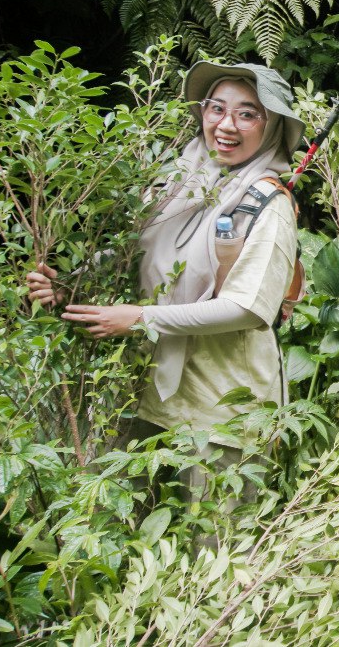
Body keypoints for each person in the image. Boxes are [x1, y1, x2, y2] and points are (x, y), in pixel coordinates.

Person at [26, 62, 303, 504]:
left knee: (213, 544)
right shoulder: (176, 181)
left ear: (273, 128)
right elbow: (137, 250)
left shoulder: (269, 204)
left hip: (221, 403)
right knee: (121, 526)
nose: (226, 125)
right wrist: (70, 286)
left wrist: (139, 318)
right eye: (216, 108)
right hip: (142, 387)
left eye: (248, 114)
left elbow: (247, 308)